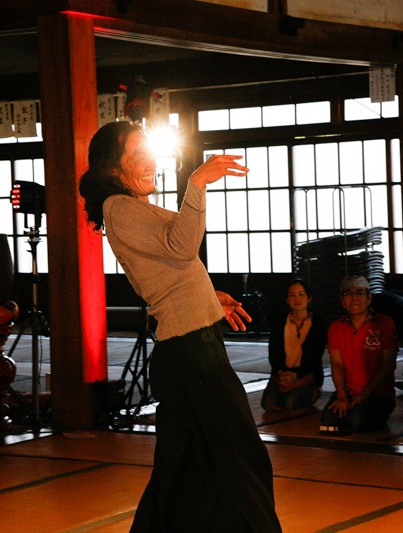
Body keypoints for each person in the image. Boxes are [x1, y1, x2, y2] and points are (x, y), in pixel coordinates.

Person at [78, 121, 281, 532]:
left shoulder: (133, 208)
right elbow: (182, 245)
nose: (150, 161)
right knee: (241, 457)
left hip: (189, 349)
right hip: (190, 353)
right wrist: (197, 184)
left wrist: (209, 296)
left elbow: (170, 269)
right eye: (137, 154)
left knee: (183, 466)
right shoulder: (119, 207)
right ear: (112, 169)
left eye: (150, 152)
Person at [320, 275, 398, 434]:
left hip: (378, 393)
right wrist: (341, 395)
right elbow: (337, 364)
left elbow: (389, 364)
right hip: (349, 392)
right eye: (348, 293)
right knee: (328, 422)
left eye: (359, 292)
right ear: (343, 301)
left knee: (356, 422)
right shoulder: (336, 327)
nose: (354, 297)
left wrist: (366, 392)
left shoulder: (384, 323)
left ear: (369, 298)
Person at [261, 278, 326, 412]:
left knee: (290, 402)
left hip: (306, 375)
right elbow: (273, 354)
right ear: (287, 299)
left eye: (301, 295)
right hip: (282, 374)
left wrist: (295, 375)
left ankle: (314, 391)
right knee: (268, 404)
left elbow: (315, 357)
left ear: (309, 298)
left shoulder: (319, 323)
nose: (297, 299)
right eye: (292, 295)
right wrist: (282, 373)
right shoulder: (279, 322)